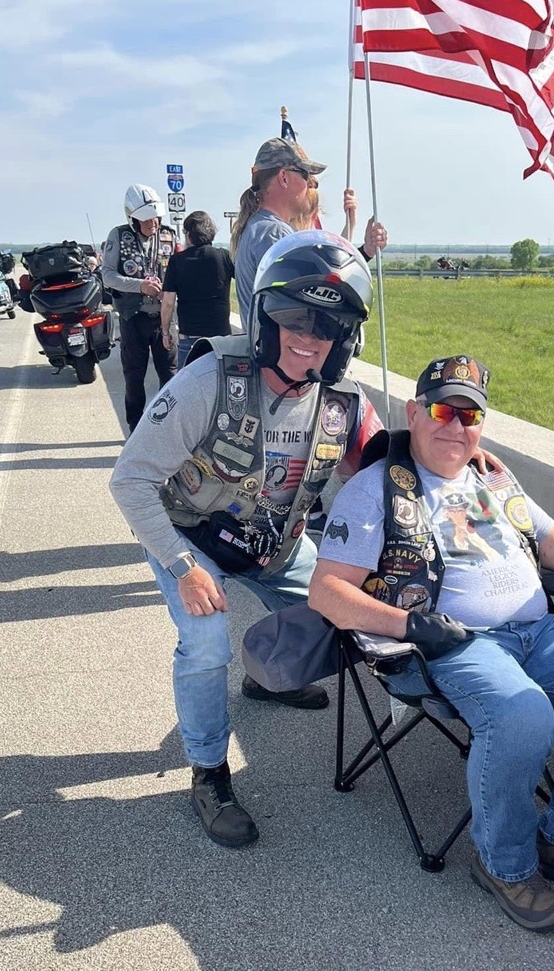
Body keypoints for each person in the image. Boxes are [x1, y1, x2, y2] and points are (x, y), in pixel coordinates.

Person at [308, 355, 554, 934]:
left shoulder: (494, 477)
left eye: (469, 414)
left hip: (538, 632)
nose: (454, 426)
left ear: (482, 424)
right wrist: (414, 627)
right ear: (413, 413)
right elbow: (327, 592)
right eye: (441, 410)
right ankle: (506, 867)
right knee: (521, 711)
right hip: (449, 644)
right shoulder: (375, 488)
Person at [110, 229, 385, 850]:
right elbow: (130, 480)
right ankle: (209, 771)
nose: (306, 335)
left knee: (349, 616)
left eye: (326, 324)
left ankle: (266, 676)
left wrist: (470, 463)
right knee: (206, 642)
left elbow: (388, 472)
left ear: (345, 338)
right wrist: (182, 565)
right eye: (293, 315)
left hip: (276, 545)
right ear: (266, 316)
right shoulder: (210, 378)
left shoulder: (343, 403)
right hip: (194, 538)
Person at [229, 137, 388, 325]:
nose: (311, 183)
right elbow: (320, 298)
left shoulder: (259, 227)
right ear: (284, 178)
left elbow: (323, 280)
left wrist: (365, 251)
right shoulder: (274, 234)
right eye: (305, 174)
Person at [102, 185, 180, 432]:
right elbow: (108, 276)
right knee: (134, 376)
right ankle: (135, 427)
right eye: (147, 219)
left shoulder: (169, 236)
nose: (154, 223)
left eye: (157, 218)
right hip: (132, 317)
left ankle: (166, 425)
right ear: (133, 218)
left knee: (170, 374)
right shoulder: (118, 236)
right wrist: (139, 286)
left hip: (163, 319)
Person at [160, 211, 234, 369]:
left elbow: (168, 302)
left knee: (188, 390)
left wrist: (165, 332)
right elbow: (245, 282)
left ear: (188, 235)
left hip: (190, 338)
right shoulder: (224, 256)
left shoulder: (177, 261)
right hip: (222, 338)